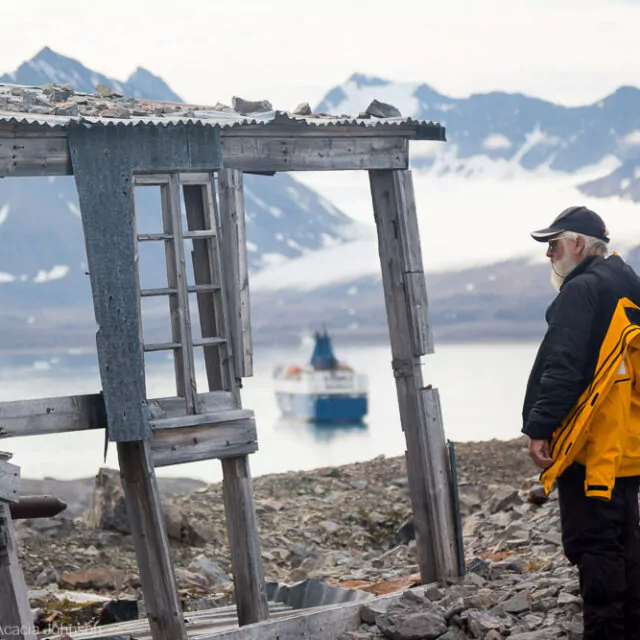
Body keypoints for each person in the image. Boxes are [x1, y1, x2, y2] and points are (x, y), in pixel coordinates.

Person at [522, 205, 640, 640]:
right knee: (625, 541)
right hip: (627, 443)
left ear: (577, 244)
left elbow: (564, 365)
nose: (549, 255)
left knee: (592, 545)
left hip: (590, 445)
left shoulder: (581, 291)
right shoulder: (629, 282)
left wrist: (540, 426)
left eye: (553, 246)